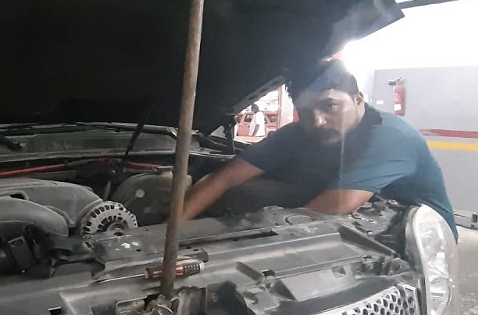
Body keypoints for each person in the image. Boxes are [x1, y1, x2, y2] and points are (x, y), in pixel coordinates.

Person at [182, 59, 457, 237]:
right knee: (243, 191)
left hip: (409, 238)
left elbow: (333, 207)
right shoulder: (297, 134)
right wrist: (170, 233)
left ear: (358, 99)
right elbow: (223, 179)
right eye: (305, 111)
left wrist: (251, 247)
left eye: (330, 106)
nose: (318, 121)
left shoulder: (390, 136)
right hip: (339, 213)